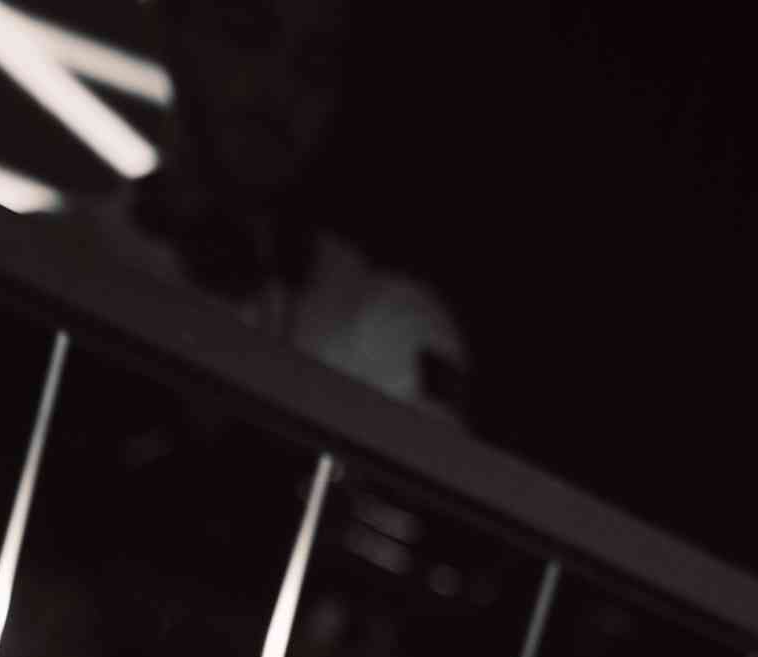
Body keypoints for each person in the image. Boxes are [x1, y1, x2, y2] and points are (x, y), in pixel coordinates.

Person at [51, 0, 469, 417]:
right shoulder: (53, 255)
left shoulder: (387, 322)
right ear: (173, 31)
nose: (278, 88)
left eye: (315, 65)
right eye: (248, 34)